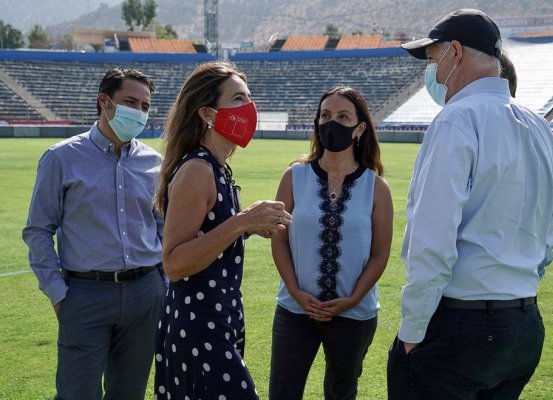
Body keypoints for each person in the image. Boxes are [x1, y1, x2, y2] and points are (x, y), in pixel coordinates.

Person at [387, 8, 553, 400]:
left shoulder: (456, 120)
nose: (431, 71)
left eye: (433, 59)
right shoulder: (538, 126)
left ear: (455, 53)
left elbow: (431, 242)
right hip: (523, 323)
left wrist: (413, 333)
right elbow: (547, 239)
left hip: (461, 324)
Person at [22, 67, 166, 400]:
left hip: (146, 293)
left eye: (145, 106)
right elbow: (38, 230)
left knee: (129, 393)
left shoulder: (155, 163)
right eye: (131, 101)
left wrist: (162, 284)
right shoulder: (61, 158)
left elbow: (162, 228)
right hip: (85, 294)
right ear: (104, 101)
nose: (139, 112)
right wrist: (58, 294)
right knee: (77, 393)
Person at [153, 60, 291, 400]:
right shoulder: (198, 169)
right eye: (238, 99)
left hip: (219, 317)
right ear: (207, 114)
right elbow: (173, 262)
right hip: (199, 325)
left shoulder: (218, 168)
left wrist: (248, 226)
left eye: (249, 98)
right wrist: (242, 221)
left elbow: (210, 234)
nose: (250, 109)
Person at [269, 86, 394, 400]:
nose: (332, 123)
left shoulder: (376, 187)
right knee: (283, 392)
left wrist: (352, 299)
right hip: (295, 310)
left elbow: (380, 254)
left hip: (353, 314)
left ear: (360, 128)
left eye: (343, 117)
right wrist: (297, 293)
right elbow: (279, 241)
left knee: (341, 392)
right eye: (325, 115)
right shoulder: (293, 177)